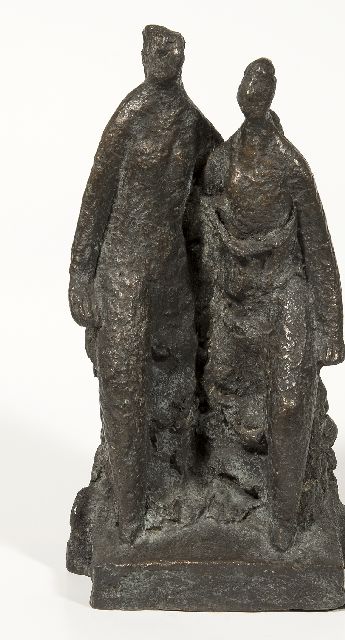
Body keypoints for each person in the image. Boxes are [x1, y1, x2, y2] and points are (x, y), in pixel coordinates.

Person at [68, 25, 221, 542]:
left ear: (184, 56)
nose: (166, 56)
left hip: (170, 266)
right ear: (143, 55)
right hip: (124, 268)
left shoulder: (190, 120)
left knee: (182, 363)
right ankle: (129, 513)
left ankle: (179, 475)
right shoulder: (129, 117)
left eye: (174, 48)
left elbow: (222, 166)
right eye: (158, 49)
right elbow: (96, 196)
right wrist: (80, 274)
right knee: (124, 380)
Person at [201, 58, 343, 550]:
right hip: (234, 297)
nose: (253, 93)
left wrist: (331, 328)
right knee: (223, 395)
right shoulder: (221, 161)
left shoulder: (289, 165)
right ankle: (226, 487)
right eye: (248, 83)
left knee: (288, 403)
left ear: (272, 94)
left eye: (263, 85)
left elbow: (318, 247)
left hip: (284, 290)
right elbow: (203, 232)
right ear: (241, 93)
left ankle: (284, 519)